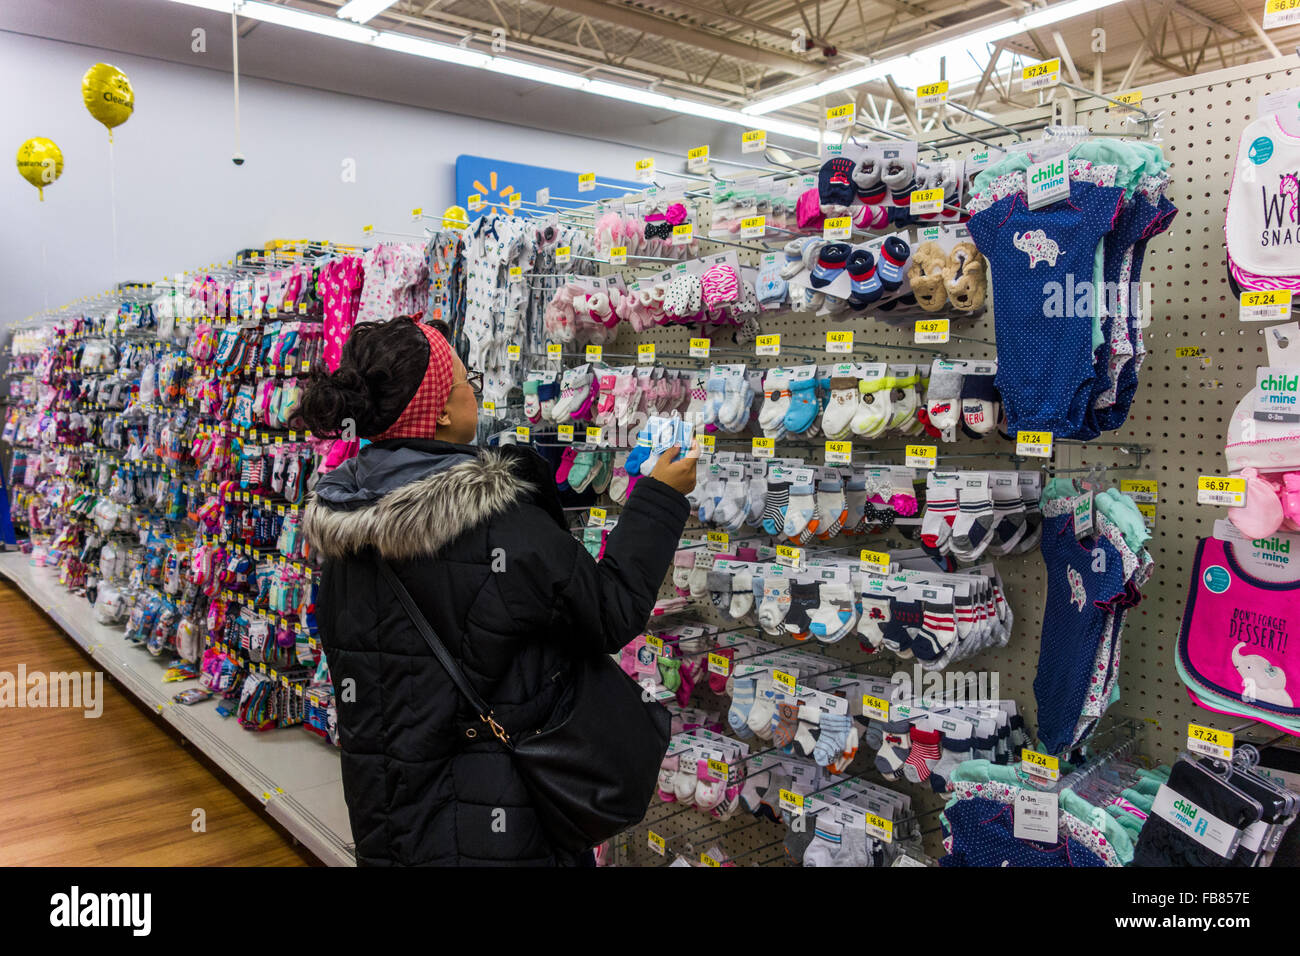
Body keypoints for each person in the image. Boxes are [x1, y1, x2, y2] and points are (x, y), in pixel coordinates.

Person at [297, 315, 698, 866]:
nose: (476, 396)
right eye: (469, 383)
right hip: (503, 822)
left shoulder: (342, 527)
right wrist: (658, 500)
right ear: (440, 409)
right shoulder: (497, 524)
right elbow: (611, 612)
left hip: (392, 820)